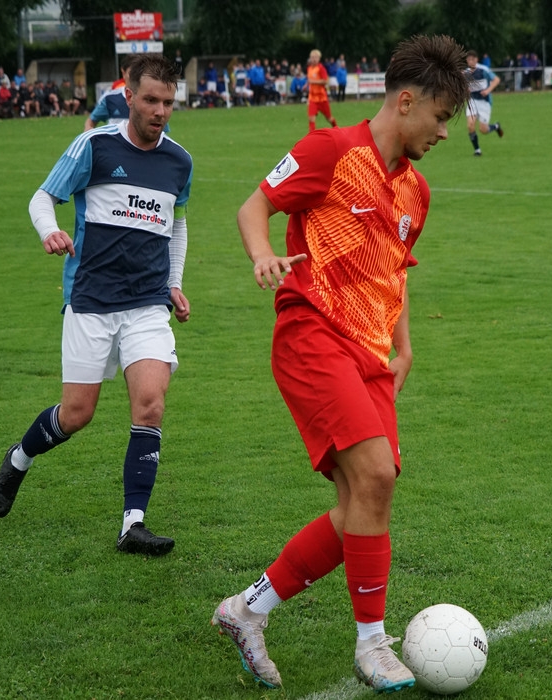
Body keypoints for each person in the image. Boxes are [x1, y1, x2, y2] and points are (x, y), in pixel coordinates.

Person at [211, 34, 469, 693]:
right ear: (406, 102)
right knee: (376, 473)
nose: (445, 132)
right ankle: (372, 645)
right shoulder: (329, 150)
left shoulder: (417, 193)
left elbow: (394, 271)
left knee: (364, 500)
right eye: (441, 117)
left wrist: (404, 345)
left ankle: (248, 610)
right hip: (312, 333)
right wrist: (263, 255)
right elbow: (253, 206)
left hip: (371, 353)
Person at [0, 53, 193, 557]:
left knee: (151, 404)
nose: (160, 111)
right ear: (128, 96)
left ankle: (133, 524)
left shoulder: (179, 161)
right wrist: (49, 230)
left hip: (147, 304)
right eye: (151, 100)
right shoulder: (95, 146)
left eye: (168, 102)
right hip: (91, 300)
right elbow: (42, 198)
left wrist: (173, 283)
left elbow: (177, 224)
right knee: (76, 414)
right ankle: (19, 459)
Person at [464, 49, 502, 156]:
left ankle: (496, 126)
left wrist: (488, 90)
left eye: (473, 59)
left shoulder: (483, 70)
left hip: (484, 102)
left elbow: (496, 80)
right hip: (472, 101)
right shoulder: (466, 73)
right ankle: (477, 150)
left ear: (476, 59)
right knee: (470, 125)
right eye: (469, 59)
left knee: (483, 130)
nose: (471, 61)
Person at [305, 49, 337, 133]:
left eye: (316, 57)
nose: (314, 59)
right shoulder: (309, 68)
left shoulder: (321, 68)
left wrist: (312, 82)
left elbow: (325, 81)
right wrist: (306, 85)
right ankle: (311, 138)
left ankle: (337, 129)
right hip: (312, 98)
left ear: (319, 59)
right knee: (311, 119)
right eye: (312, 57)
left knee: (329, 118)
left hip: (322, 98)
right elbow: (310, 80)